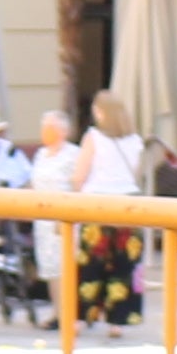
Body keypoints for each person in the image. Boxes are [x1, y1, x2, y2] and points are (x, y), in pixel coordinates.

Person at [73, 88, 147, 332]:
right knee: (124, 266)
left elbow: (79, 176)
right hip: (128, 207)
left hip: (97, 206)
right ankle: (119, 321)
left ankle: (84, 316)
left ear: (102, 113)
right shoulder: (135, 141)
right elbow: (137, 175)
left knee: (92, 265)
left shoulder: (93, 137)